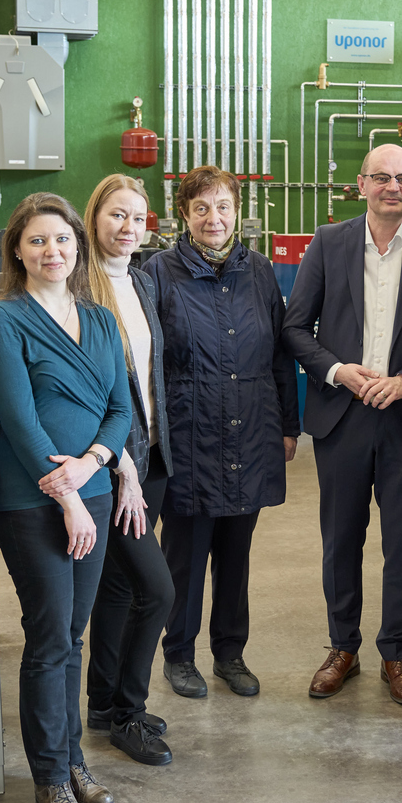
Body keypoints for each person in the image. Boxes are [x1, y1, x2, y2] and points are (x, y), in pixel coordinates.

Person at [283, 143, 402, 705]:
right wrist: (338, 371)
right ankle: (343, 647)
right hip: (343, 416)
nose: (393, 188)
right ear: (360, 185)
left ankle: (395, 651)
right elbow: (295, 328)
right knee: (341, 539)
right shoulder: (329, 243)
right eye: (381, 178)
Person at [0, 193, 131, 803]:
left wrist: (92, 467)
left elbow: (121, 410)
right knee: (47, 638)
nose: (53, 251)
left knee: (73, 633)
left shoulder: (99, 319)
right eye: (39, 241)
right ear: (18, 249)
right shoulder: (3, 319)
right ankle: (49, 778)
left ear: (78, 247)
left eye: (63, 240)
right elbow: (17, 418)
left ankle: (74, 762)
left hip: (89, 493)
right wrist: (64, 493)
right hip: (30, 500)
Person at [144, 165, 301, 700]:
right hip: (188, 432)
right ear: (183, 214)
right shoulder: (159, 273)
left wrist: (286, 425)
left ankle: (230, 652)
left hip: (252, 429)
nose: (215, 218)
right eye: (202, 208)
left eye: (224, 207)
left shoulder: (259, 271)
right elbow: (146, 361)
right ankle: (179, 653)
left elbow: (280, 352)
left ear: (239, 212)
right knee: (185, 552)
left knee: (237, 551)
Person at [81, 175, 176, 767]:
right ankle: (129, 712)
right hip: (114, 466)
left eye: (138, 219)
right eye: (117, 215)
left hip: (153, 457)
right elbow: (92, 393)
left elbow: (149, 372)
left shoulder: (141, 280)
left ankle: (102, 698)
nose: (127, 228)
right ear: (94, 219)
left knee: (117, 589)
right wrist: (116, 464)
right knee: (157, 591)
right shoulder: (79, 288)